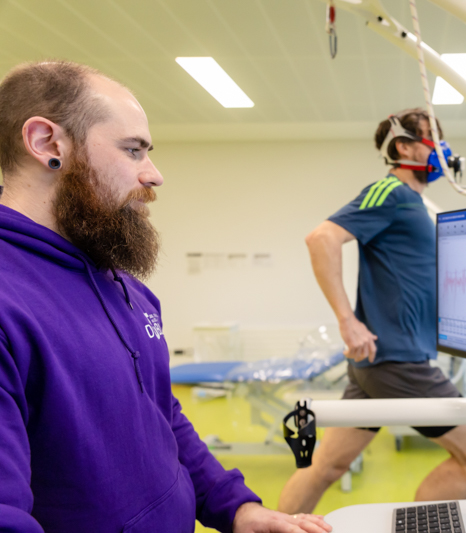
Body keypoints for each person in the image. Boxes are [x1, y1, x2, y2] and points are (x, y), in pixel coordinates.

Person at [0, 61, 331, 533]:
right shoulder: (9, 301)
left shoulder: (126, 288)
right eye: (133, 151)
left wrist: (237, 508)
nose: (154, 175)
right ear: (47, 143)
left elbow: (163, 417)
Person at [278, 109, 466, 514]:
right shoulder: (389, 193)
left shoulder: (414, 203)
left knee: (328, 463)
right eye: (434, 138)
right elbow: (320, 238)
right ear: (404, 147)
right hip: (399, 362)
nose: (443, 149)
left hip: (381, 361)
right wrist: (348, 321)